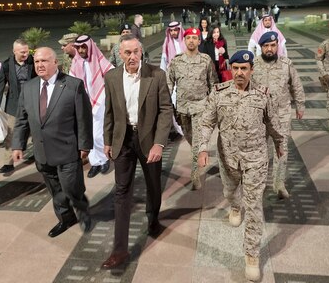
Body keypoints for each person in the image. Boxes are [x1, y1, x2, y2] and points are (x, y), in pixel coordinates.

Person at [197, 50, 284, 281]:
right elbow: (206, 122)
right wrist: (202, 148)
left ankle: (251, 256)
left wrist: (279, 144)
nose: (239, 73)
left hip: (256, 159)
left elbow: (273, 123)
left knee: (254, 206)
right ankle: (235, 206)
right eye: (235, 68)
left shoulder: (263, 95)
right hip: (228, 158)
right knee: (229, 192)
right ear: (230, 69)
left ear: (251, 70)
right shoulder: (219, 93)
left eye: (244, 69)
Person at [101, 35, 173, 270]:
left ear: (141, 52)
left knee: (153, 185)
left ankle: (153, 220)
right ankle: (119, 250)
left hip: (148, 140)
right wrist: (108, 140)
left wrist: (159, 144)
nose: (132, 57)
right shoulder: (111, 77)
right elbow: (109, 112)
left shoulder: (156, 75)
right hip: (123, 141)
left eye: (135, 52)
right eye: (127, 53)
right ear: (119, 55)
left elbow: (165, 110)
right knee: (121, 192)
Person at [11, 47, 93, 237]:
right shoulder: (29, 87)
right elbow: (22, 119)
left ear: (56, 62)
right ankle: (65, 218)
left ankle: (82, 211)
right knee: (55, 190)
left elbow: (84, 118)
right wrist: (18, 144)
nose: (40, 65)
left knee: (72, 188)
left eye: (45, 61)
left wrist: (85, 145)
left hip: (67, 150)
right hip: (42, 152)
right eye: (37, 61)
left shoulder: (73, 85)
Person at [252, 32, 305, 198]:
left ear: (277, 46)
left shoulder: (286, 64)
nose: (269, 49)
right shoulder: (253, 65)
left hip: (281, 113)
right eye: (266, 46)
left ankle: (279, 183)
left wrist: (300, 105)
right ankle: (257, 183)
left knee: (281, 149)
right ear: (261, 47)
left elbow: (296, 85)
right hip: (259, 116)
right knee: (259, 151)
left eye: (272, 45)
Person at [167, 27, 218, 189]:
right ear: (185, 40)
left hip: (201, 107)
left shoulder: (206, 60)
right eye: (188, 38)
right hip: (182, 108)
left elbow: (213, 84)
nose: (191, 41)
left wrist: (213, 105)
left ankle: (195, 175)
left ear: (199, 41)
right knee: (189, 137)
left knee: (196, 141)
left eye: (194, 38)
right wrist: (166, 103)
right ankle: (199, 151)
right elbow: (169, 84)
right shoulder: (176, 61)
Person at [0, 39, 37, 174]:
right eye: (22, 52)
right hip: (14, 104)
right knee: (12, 134)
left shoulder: (33, 62)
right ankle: (8, 163)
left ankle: (39, 156)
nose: (25, 54)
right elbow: (0, 84)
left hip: (33, 102)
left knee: (37, 132)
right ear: (14, 51)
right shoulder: (6, 65)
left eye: (27, 51)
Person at [70, 35, 113, 178]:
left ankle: (104, 159)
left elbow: (112, 74)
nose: (81, 50)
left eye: (84, 47)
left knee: (97, 134)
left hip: (100, 101)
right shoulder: (75, 62)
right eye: (79, 48)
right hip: (83, 103)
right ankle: (95, 163)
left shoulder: (98, 59)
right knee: (88, 134)